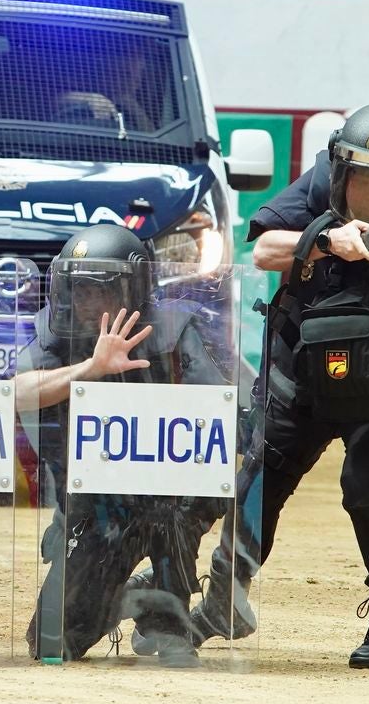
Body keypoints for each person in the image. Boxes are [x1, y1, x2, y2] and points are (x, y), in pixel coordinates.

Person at [188, 102, 369, 670]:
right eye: (365, 181)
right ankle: (224, 600)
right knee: (262, 480)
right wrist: (325, 240)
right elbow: (264, 249)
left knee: (366, 484)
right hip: (301, 372)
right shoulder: (317, 188)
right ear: (341, 172)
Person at [18, 224, 229, 667]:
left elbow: (219, 422)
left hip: (171, 499)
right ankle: (135, 594)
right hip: (97, 507)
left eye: (100, 291)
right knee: (52, 644)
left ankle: (168, 619)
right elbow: (14, 394)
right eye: (78, 290)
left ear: (132, 290)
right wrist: (92, 368)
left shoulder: (172, 332)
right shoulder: (55, 338)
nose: (85, 302)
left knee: (173, 509)